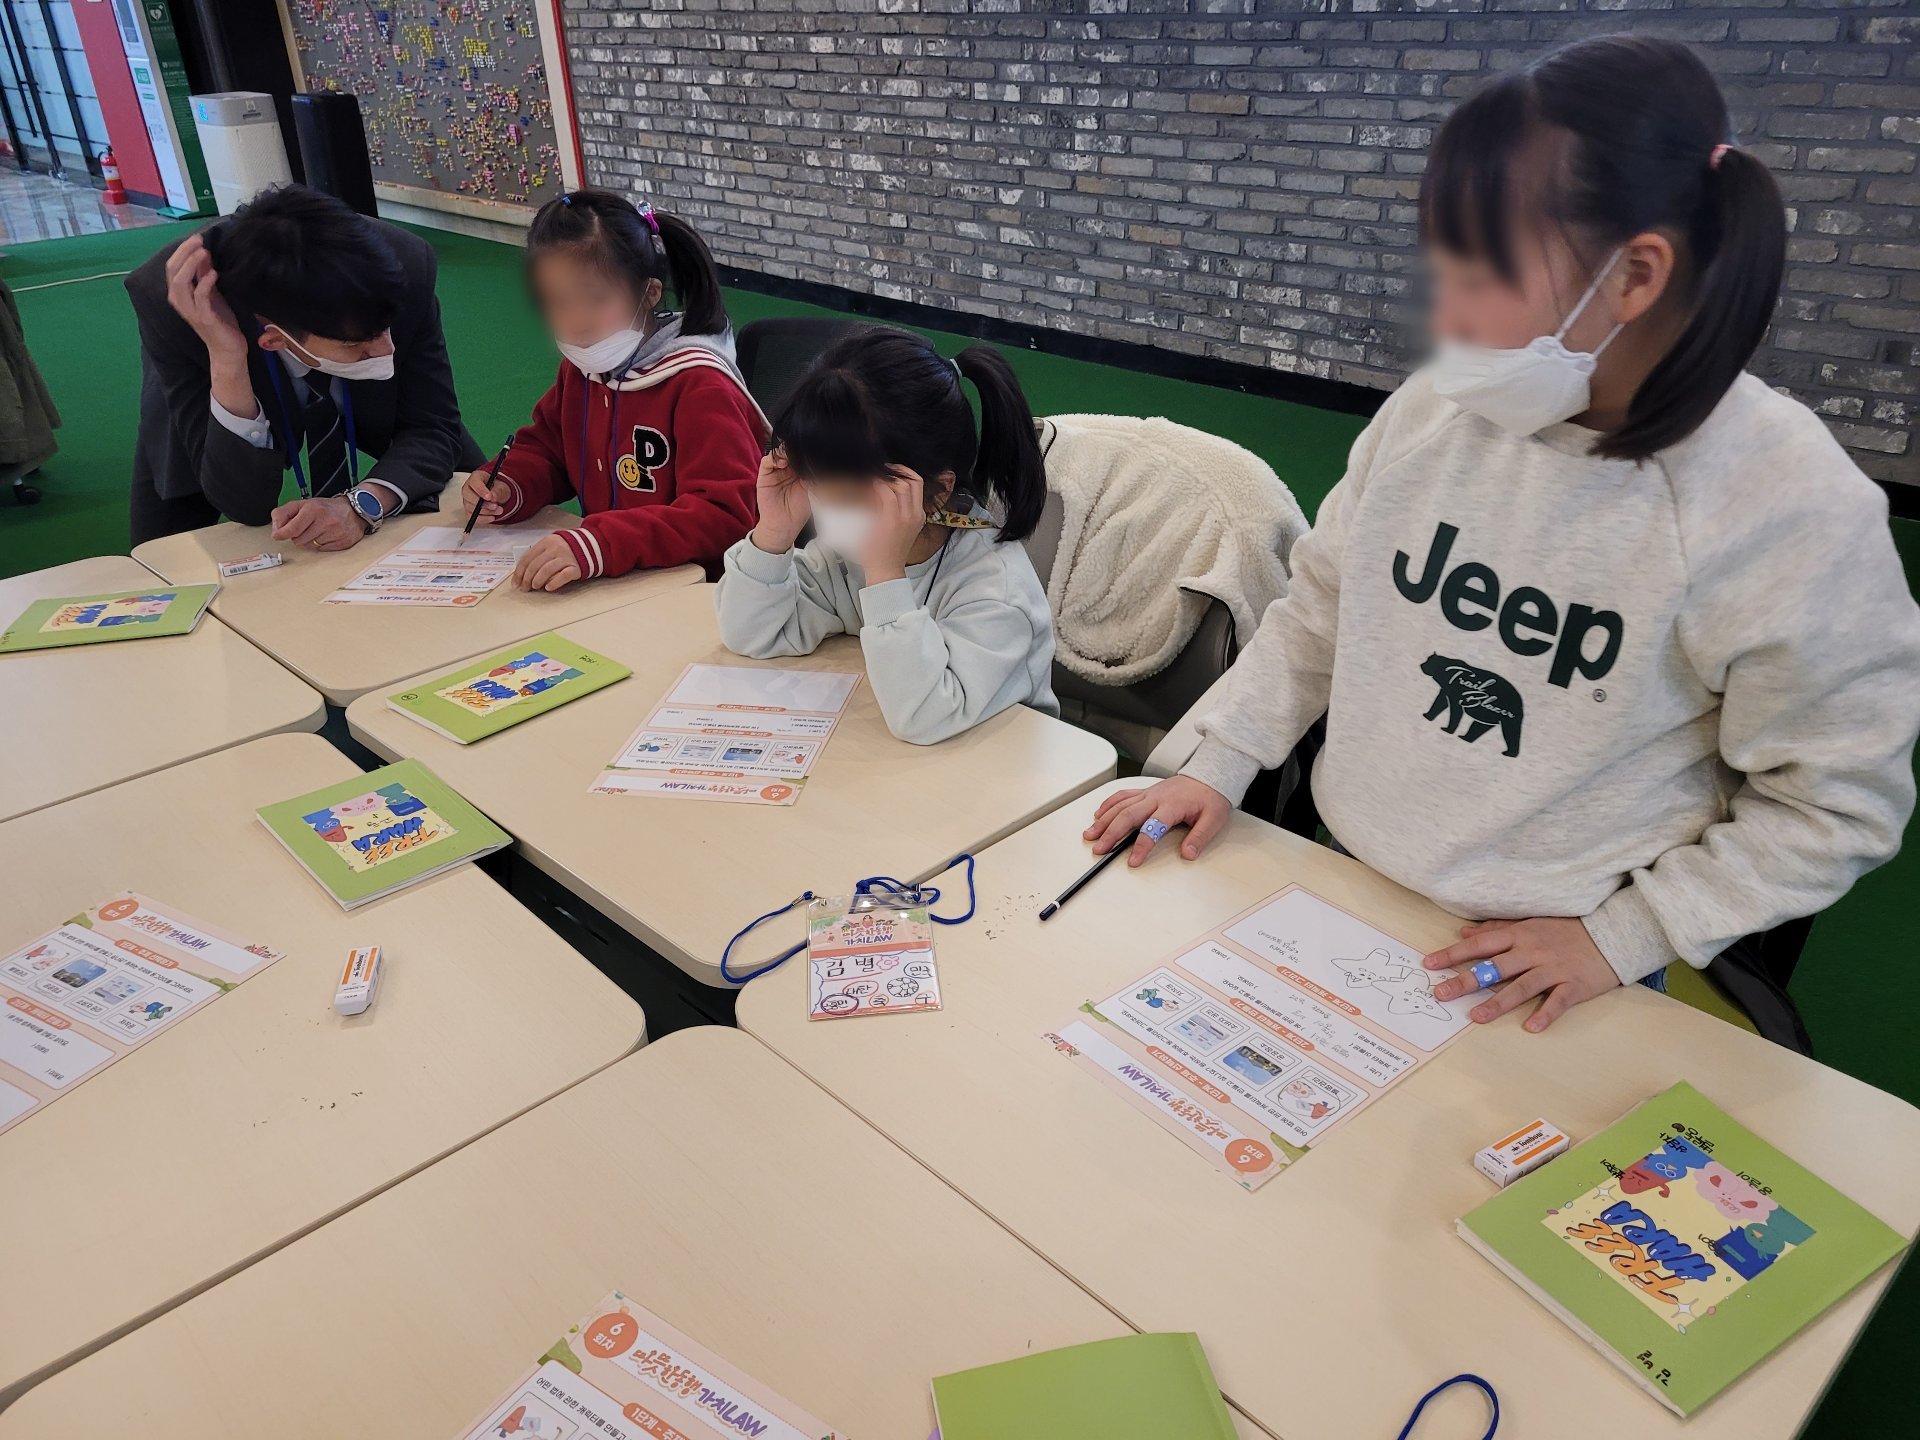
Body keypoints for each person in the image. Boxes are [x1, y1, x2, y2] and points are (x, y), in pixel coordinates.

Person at [1084, 36, 1920, 1034]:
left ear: (1635, 275)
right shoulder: (1433, 413)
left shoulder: (1784, 506)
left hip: (1553, 968)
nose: (1446, 317)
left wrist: (1624, 937)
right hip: (1353, 886)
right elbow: (1322, 610)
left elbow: (1833, 802)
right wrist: (1214, 761)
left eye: (1479, 275)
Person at [715, 327, 1057, 745]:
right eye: (815, 487)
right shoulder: (844, 559)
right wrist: (773, 533)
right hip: (906, 762)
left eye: (849, 499)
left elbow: (924, 717)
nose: (829, 512)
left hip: (999, 766)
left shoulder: (995, 590)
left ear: (937, 491)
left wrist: (885, 576)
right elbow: (752, 634)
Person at [125, 184, 481, 548]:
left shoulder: (406, 266)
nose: (386, 351)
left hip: (361, 364)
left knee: (482, 493)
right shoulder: (174, 305)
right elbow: (244, 504)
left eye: (385, 330)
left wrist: (362, 504)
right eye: (356, 344)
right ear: (274, 340)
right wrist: (228, 361)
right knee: (165, 549)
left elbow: (433, 427)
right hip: (209, 358)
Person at [457, 189, 763, 589]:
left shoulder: (699, 383)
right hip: (619, 580)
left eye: (596, 299)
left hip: (702, 592)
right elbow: (551, 451)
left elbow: (725, 516)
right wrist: (507, 484)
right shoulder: (584, 370)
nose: (575, 322)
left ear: (649, 293)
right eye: (556, 302)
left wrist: (602, 543)